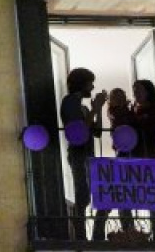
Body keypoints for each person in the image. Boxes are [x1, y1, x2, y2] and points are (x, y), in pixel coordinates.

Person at [60, 67, 107, 241]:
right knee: (83, 195)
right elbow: (80, 131)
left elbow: (97, 132)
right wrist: (94, 109)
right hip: (78, 154)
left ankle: (94, 234)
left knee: (96, 194)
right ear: (82, 83)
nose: (92, 87)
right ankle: (80, 236)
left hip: (88, 155)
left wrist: (98, 109)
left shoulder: (84, 108)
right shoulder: (70, 101)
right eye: (90, 83)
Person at [92, 88, 134, 241]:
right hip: (123, 155)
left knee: (122, 196)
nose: (120, 99)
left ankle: (126, 230)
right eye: (115, 97)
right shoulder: (117, 113)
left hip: (126, 156)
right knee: (118, 194)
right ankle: (126, 230)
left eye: (121, 96)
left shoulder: (122, 111)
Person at [130, 79, 155, 241]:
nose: (136, 93)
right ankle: (129, 230)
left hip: (151, 157)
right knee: (129, 193)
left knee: (152, 195)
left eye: (139, 90)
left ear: (148, 91)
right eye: (134, 90)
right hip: (134, 158)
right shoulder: (133, 110)